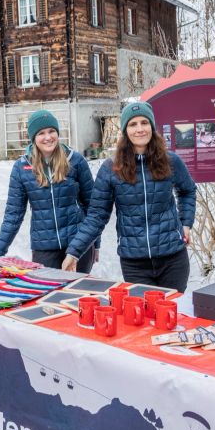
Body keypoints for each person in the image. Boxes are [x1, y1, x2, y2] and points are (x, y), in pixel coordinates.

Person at [62, 101, 196, 291]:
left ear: (152, 126)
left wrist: (186, 223)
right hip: (135, 263)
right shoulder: (111, 169)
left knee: (170, 315)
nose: (139, 129)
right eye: (133, 124)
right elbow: (96, 216)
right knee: (141, 317)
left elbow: (188, 190)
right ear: (125, 131)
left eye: (144, 122)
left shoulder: (170, 160)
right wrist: (74, 252)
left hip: (173, 258)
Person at [0, 110, 98, 272]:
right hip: (44, 247)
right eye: (41, 133)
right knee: (47, 294)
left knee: (78, 293)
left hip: (79, 244)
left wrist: (95, 244)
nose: (48, 137)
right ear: (33, 138)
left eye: (51, 131)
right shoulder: (21, 168)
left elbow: (92, 206)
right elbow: (13, 215)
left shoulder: (76, 160)